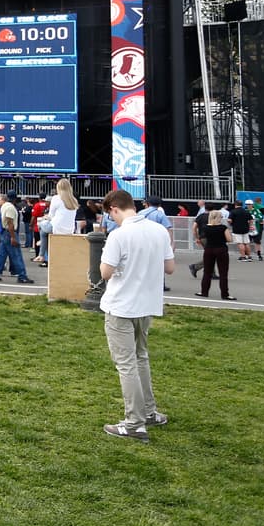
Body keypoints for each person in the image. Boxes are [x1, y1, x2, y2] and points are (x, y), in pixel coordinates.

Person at [98, 189, 174, 443]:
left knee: (126, 364)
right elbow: (170, 267)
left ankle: (134, 422)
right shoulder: (159, 231)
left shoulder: (119, 235)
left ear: (114, 209)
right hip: (147, 304)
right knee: (140, 358)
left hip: (121, 306)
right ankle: (149, 412)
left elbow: (106, 272)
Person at [0, 190, 35, 284]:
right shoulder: (11, 208)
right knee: (17, 255)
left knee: (2, 255)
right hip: (10, 232)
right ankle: (22, 275)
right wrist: (13, 237)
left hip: (4, 232)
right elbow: (10, 222)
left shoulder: (4, 206)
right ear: (15, 198)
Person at [193, 209, 234, 301]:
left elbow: (203, 236)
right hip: (221, 249)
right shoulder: (223, 228)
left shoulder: (205, 228)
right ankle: (225, 294)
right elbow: (229, 239)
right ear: (219, 218)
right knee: (223, 273)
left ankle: (204, 291)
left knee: (207, 272)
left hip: (209, 249)